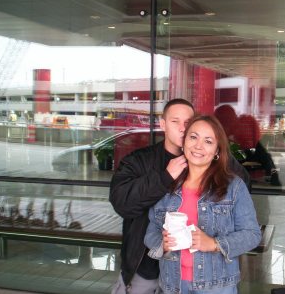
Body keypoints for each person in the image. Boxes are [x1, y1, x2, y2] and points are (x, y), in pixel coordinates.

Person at [109, 99, 250, 294]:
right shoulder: (139, 160)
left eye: (188, 122)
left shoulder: (213, 159)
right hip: (146, 269)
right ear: (163, 124)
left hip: (201, 276)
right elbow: (122, 204)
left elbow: (241, 190)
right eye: (175, 121)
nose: (183, 128)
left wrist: (214, 160)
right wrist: (164, 177)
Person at [144, 115, 262, 294]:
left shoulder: (233, 186)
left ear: (217, 151)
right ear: (183, 143)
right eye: (193, 137)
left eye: (208, 141)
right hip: (173, 284)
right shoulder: (167, 183)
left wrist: (214, 244)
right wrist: (163, 244)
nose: (198, 146)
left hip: (217, 286)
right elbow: (151, 229)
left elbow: (252, 235)